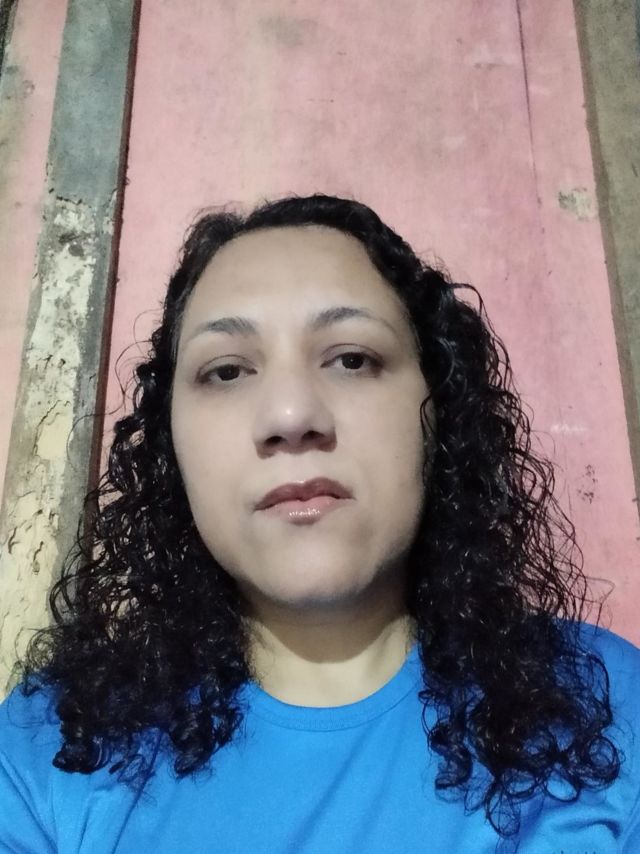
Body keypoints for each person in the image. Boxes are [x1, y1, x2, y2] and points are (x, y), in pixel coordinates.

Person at [0, 193, 639, 854]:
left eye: (352, 359)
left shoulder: (609, 710)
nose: (290, 415)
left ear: (441, 413)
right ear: (169, 444)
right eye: (226, 371)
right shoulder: (48, 750)